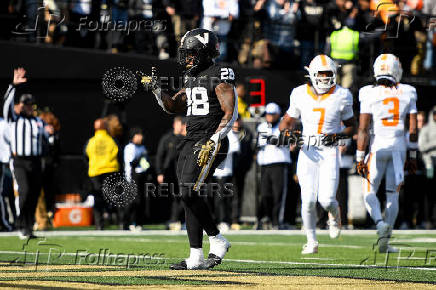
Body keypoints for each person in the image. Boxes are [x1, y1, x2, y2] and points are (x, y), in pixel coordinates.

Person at [142, 28, 237, 270]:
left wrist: (216, 138)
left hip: (209, 140)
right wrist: (156, 89)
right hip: (190, 139)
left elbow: (231, 112)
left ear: (205, 52)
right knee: (187, 196)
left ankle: (217, 239)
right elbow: (173, 106)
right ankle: (195, 256)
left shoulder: (219, 74)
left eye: (192, 53)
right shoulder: (191, 77)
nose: (187, 58)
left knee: (188, 191)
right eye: (185, 53)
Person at [279, 55, 356, 254]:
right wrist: (287, 133)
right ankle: (311, 241)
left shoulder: (343, 94)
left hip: (329, 151)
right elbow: (286, 121)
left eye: (328, 74)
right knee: (308, 200)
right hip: (308, 151)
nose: (324, 78)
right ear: (312, 74)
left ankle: (334, 214)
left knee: (327, 199)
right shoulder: (299, 93)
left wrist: (337, 135)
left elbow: (351, 128)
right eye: (320, 74)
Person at [356, 54, 418, 253]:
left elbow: (363, 129)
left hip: (378, 147)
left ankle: (379, 223)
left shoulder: (367, 93)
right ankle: (385, 239)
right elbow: (413, 130)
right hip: (399, 149)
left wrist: (359, 157)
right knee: (393, 194)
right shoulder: (408, 92)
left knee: (368, 192)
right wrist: (413, 156)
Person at [3, 68, 51, 239]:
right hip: (20, 161)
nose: (29, 107)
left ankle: (28, 226)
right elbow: (7, 104)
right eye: (26, 105)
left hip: (36, 161)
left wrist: (49, 134)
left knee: (34, 194)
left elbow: (46, 139)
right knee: (24, 191)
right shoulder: (14, 119)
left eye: (31, 105)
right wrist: (13, 86)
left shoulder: (38, 121)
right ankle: (21, 224)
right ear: (21, 106)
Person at [256, 103, 291, 230]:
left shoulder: (283, 126)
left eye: (272, 114)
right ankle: (267, 219)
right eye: (268, 114)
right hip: (265, 164)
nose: (269, 117)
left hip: (280, 163)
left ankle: (278, 221)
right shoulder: (261, 127)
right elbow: (261, 142)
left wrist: (273, 140)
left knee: (279, 194)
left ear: (277, 115)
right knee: (265, 194)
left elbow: (284, 142)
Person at [85, 119, 120, 230]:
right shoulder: (111, 140)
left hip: (96, 172)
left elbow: (85, 154)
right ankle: (119, 222)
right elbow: (118, 153)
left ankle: (99, 224)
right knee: (113, 197)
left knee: (98, 198)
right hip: (110, 170)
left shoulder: (91, 141)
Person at [156, 116, 186, 230]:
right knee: (171, 198)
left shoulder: (185, 139)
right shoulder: (167, 139)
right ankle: (172, 220)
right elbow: (160, 156)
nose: (181, 127)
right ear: (174, 125)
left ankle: (179, 220)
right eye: (179, 124)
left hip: (182, 175)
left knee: (182, 197)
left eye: (182, 124)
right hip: (169, 174)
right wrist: (160, 172)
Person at [121, 127, 150, 230]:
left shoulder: (142, 148)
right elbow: (131, 163)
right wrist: (141, 157)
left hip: (141, 177)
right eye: (138, 135)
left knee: (141, 202)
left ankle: (138, 223)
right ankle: (126, 223)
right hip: (132, 178)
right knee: (132, 202)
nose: (141, 137)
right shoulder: (129, 148)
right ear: (133, 136)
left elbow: (145, 163)